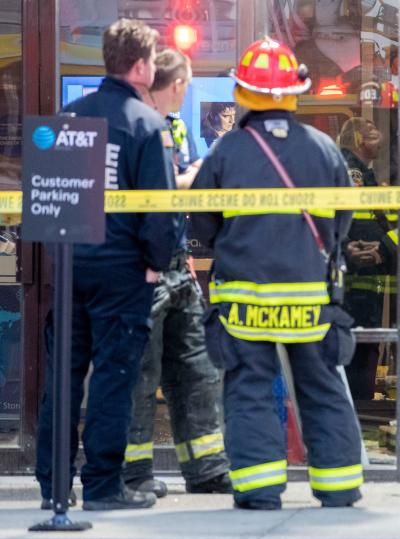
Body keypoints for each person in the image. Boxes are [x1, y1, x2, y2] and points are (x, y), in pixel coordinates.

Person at [191, 37, 362, 510]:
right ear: (294, 93)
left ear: (243, 94)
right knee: (322, 387)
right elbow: (343, 223)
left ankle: (260, 489)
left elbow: (202, 224)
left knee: (248, 390)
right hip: (310, 301)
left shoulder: (226, 152)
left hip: (246, 303)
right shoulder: (325, 149)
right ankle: (340, 486)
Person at [35, 18, 181, 511]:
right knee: (114, 379)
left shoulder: (66, 119)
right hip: (122, 274)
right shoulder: (147, 125)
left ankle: (53, 486)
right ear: (140, 67)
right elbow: (160, 214)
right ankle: (101, 487)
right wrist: (157, 264)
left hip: (70, 267)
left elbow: (51, 203)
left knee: (63, 382)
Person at [123, 48, 232, 499]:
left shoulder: (172, 125)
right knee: (141, 376)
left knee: (198, 369)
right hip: (141, 269)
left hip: (177, 265)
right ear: (174, 84)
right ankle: (135, 472)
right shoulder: (133, 125)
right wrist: (193, 179)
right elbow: (157, 190)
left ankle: (206, 469)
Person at [338, 117, 397, 400]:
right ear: (360, 140)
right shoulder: (353, 172)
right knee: (363, 346)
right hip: (357, 276)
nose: (380, 141)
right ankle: (361, 411)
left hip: (356, 274)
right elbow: (359, 222)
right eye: (374, 136)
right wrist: (379, 247)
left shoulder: (360, 170)